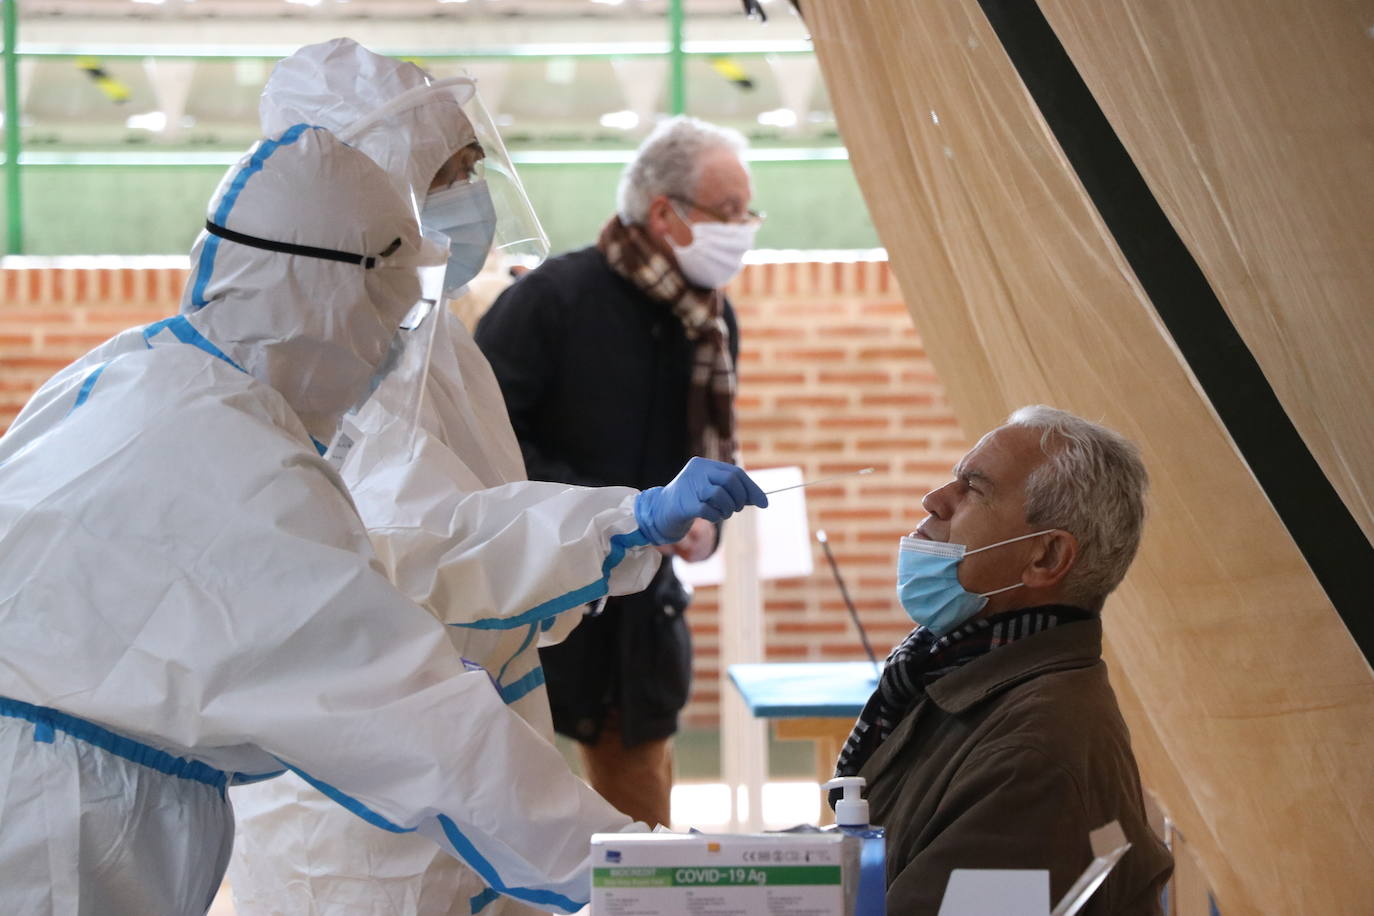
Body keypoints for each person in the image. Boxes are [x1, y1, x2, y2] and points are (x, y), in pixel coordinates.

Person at [0, 117, 765, 914]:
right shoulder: (251, 471)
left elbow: (395, 565)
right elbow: (422, 721)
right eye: (380, 327)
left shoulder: (127, 372)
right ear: (332, 302)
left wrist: (621, 520)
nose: (379, 358)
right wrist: (651, 875)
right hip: (65, 837)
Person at [223, 39, 768, 916]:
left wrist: (629, 522)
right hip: (367, 817)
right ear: (375, 186)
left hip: (465, 749)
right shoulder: (334, 356)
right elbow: (419, 560)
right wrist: (624, 519)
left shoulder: (430, 340)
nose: (473, 196)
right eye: (454, 171)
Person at [475, 115, 761, 829]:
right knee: (512, 826)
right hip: (532, 609)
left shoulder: (709, 321)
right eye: (730, 212)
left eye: (748, 212)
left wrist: (699, 526)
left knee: (641, 842)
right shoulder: (550, 303)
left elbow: (705, 454)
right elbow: (482, 446)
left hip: (640, 630)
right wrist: (620, 514)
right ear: (666, 213)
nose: (745, 227)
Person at [833, 405, 1173, 913]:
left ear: (1046, 558)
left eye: (975, 488)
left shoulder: (1035, 753)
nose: (934, 499)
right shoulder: (958, 677)